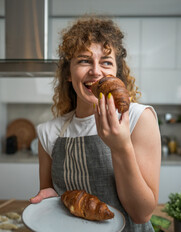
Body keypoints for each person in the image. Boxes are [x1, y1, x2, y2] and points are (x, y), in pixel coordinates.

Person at [30, 15, 161, 231]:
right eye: (84, 60)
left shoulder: (140, 119)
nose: (96, 71)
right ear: (69, 74)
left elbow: (141, 214)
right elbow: (52, 201)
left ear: (116, 72)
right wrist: (49, 200)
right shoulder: (49, 132)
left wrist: (121, 147)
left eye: (106, 62)